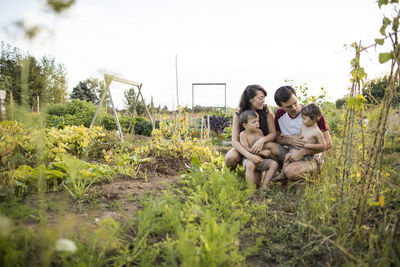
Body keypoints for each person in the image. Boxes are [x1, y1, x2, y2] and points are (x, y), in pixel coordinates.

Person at [272, 86, 332, 181]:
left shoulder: (312, 114)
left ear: (296, 97)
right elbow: (277, 138)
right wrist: (290, 140)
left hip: (311, 156)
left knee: (291, 173)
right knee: (269, 147)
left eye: (295, 102)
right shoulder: (279, 114)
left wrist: (303, 152)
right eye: (288, 106)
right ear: (280, 106)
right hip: (292, 151)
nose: (294, 108)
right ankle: (284, 173)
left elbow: (328, 143)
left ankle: (311, 177)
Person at [225, 84, 280, 187]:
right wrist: (249, 155)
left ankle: (271, 175)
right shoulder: (239, 114)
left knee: (255, 184)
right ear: (251, 99)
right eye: (260, 98)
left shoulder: (266, 111)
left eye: (264, 98)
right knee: (231, 157)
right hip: (245, 149)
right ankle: (231, 177)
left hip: (259, 150)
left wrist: (261, 140)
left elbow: (273, 134)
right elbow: (234, 141)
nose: (263, 101)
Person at [239, 110, 278, 189]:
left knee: (274, 164)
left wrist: (263, 146)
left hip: (260, 160)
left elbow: (263, 144)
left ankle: (265, 186)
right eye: (253, 122)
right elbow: (246, 148)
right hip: (249, 159)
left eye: (257, 121)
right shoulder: (243, 134)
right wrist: (262, 152)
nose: (257, 124)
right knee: (250, 165)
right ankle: (249, 190)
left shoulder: (259, 132)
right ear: (245, 125)